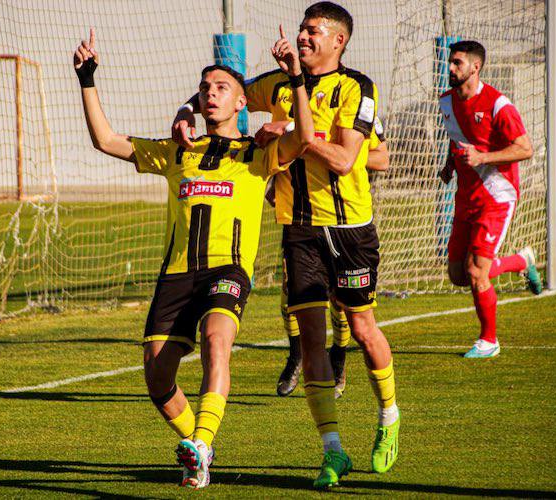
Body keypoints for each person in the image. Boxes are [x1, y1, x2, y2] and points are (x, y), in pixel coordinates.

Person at [74, 27, 313, 489]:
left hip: (228, 269)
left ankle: (203, 440)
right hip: (177, 275)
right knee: (156, 374)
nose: (210, 94)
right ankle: (198, 453)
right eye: (205, 88)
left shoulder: (256, 154)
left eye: (221, 88)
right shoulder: (177, 152)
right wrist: (87, 79)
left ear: (242, 103)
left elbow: (303, 137)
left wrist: (297, 78)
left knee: (215, 339)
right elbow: (105, 140)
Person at [172, 1, 399, 487]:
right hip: (298, 231)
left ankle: (389, 415)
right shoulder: (275, 83)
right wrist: (186, 111)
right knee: (311, 337)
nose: (303, 36)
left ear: (338, 41)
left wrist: (291, 131)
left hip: (349, 230)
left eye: (314, 31)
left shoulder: (357, 87)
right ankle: (332, 451)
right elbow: (224, 89)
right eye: (301, 28)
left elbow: (342, 159)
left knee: (361, 328)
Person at [438, 40, 542, 359]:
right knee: (458, 274)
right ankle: (520, 261)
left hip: (497, 195)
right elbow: (458, 140)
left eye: (457, 63)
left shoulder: (498, 104)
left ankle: (489, 341)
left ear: (475, 67)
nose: (451, 68)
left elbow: (525, 148)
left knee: (476, 272)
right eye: (450, 63)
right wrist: (448, 165)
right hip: (465, 197)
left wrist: (483, 159)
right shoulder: (446, 101)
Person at [275, 117, 389, 400]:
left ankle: (338, 356)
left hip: (343, 222)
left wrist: (333, 151)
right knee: (291, 295)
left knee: (343, 303)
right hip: (300, 217)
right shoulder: (285, 93)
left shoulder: (356, 99)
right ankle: (296, 356)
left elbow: (382, 158)